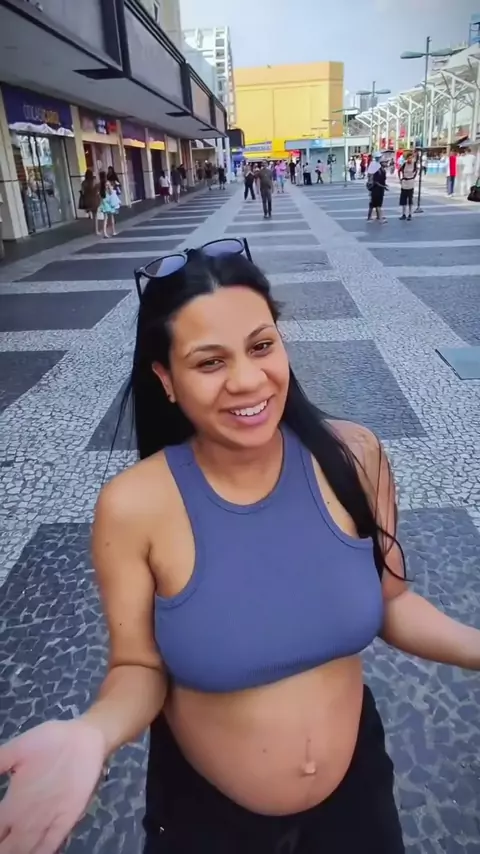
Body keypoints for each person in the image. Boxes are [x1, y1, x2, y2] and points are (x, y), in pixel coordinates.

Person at [3, 240, 480, 854]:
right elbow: (138, 668)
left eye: (261, 346)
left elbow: (393, 603)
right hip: (207, 822)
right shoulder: (135, 505)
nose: (249, 380)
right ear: (166, 379)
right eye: (209, 362)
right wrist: (92, 734)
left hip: (357, 804)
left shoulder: (355, 457)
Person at [98, 170, 120, 238]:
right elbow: (111, 192)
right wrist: (111, 187)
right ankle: (113, 231)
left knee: (105, 219)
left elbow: (100, 195)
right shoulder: (107, 183)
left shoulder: (100, 184)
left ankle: (105, 233)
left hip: (104, 202)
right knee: (112, 217)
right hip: (109, 202)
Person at [79, 169, 101, 235]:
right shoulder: (94, 181)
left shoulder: (83, 183)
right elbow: (97, 190)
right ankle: (96, 230)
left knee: (92, 214)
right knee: (95, 215)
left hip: (87, 200)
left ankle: (94, 229)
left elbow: (82, 191)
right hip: (94, 200)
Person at [367, 158, 388, 223]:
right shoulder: (377, 171)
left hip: (380, 189)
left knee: (376, 204)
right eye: (385, 162)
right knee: (376, 204)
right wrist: (383, 186)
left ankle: (377, 216)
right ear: (381, 163)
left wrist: (384, 185)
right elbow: (376, 181)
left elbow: (382, 181)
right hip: (376, 189)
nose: (386, 163)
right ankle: (380, 219)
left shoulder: (383, 171)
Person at [398, 153, 417, 221]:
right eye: (409, 158)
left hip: (410, 183)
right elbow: (399, 171)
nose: (410, 159)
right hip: (404, 183)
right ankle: (403, 214)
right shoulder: (404, 164)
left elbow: (416, 171)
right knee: (403, 200)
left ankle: (410, 214)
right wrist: (400, 179)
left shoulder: (414, 164)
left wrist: (413, 178)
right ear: (407, 159)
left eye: (411, 158)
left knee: (410, 199)